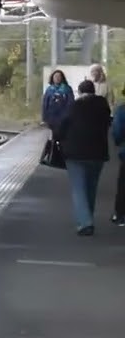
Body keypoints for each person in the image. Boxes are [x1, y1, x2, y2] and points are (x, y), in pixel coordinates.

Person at [55, 79, 113, 235]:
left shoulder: (74, 106)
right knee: (91, 188)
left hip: (75, 154)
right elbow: (108, 123)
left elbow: (61, 126)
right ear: (93, 91)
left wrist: (58, 138)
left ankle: (85, 223)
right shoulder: (103, 106)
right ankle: (87, 218)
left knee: (78, 188)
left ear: (79, 92)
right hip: (98, 153)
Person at [111, 84, 125, 224]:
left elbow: (117, 131)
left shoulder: (122, 110)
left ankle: (121, 214)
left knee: (123, 184)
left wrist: (118, 143)